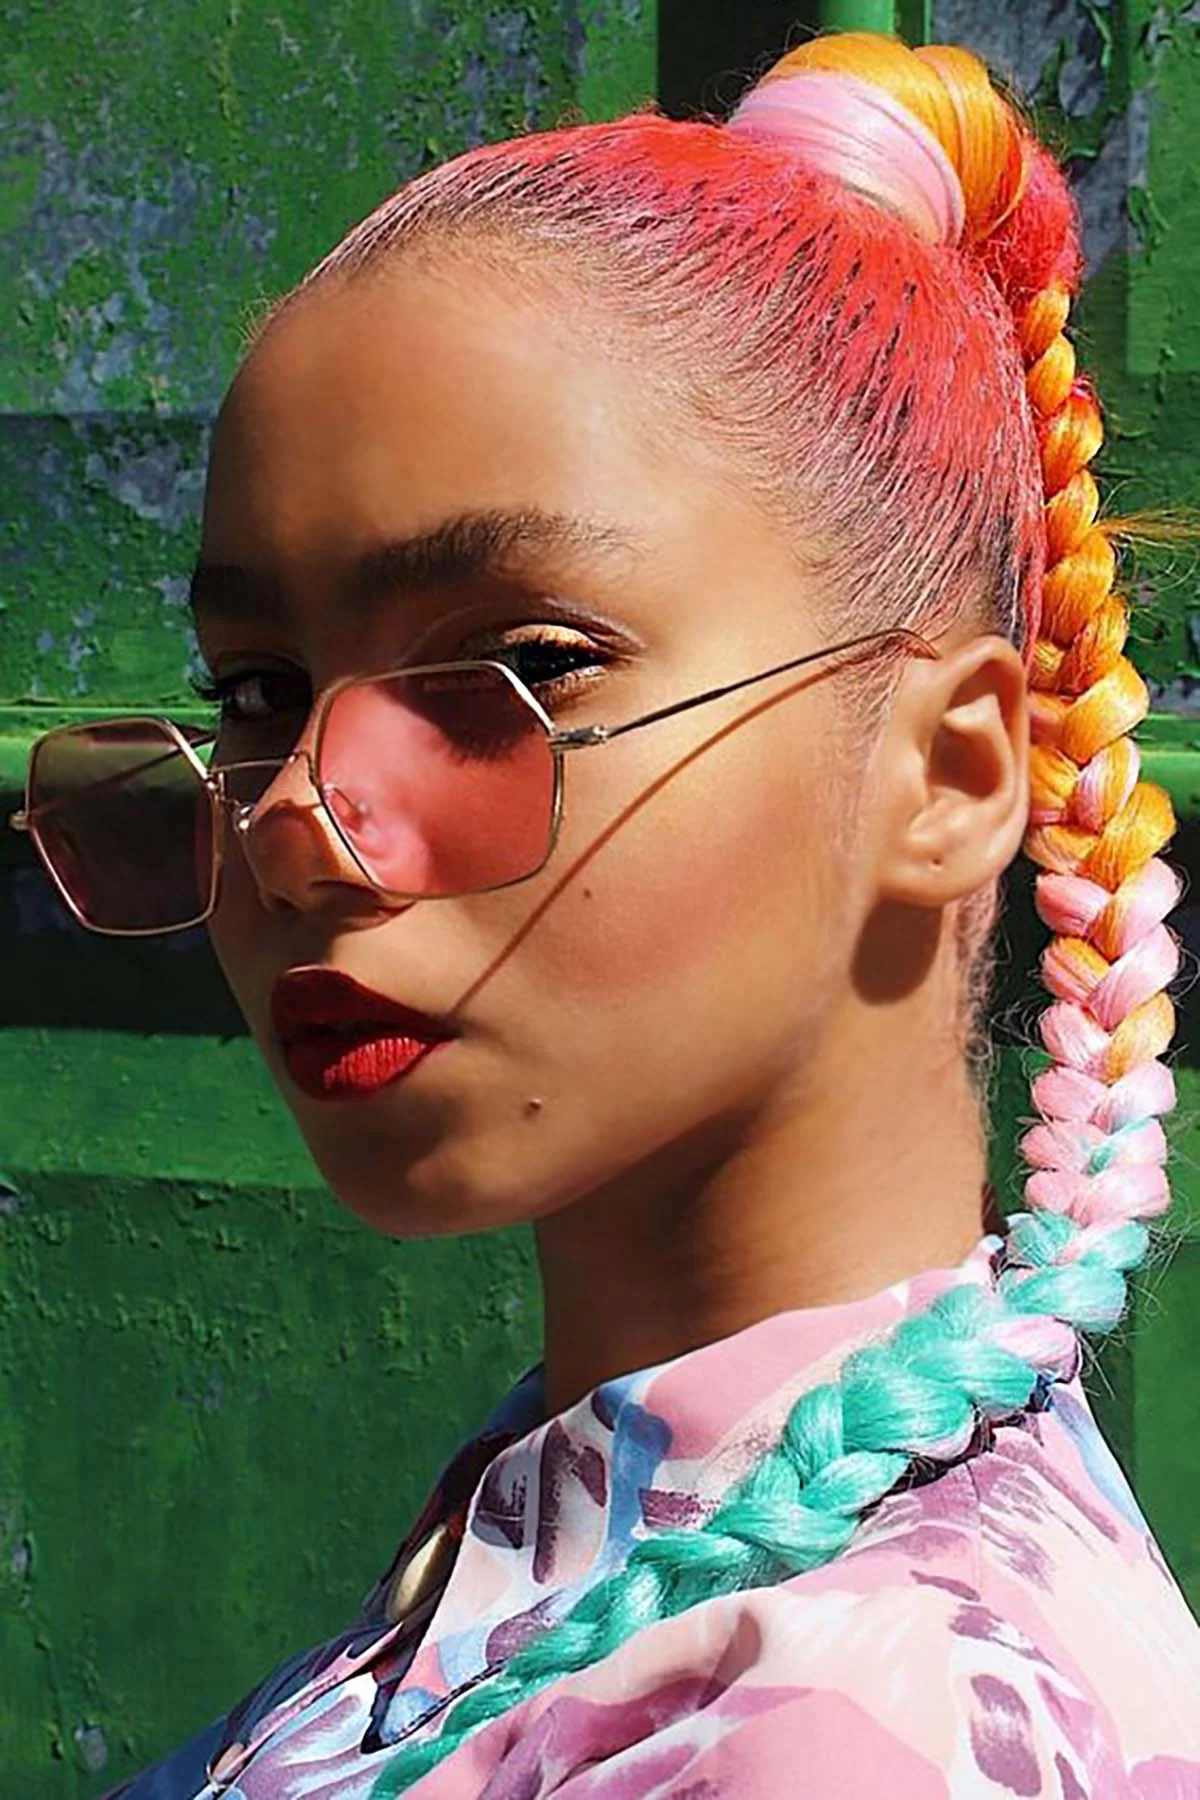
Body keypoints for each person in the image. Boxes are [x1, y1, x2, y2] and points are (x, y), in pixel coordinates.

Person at [17, 25, 1198, 1798]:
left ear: (953, 774)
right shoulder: (638, 1536)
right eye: (259, 688)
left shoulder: (845, 1732)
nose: (297, 821)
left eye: (521, 664)